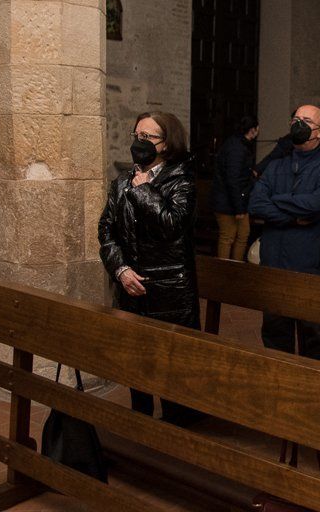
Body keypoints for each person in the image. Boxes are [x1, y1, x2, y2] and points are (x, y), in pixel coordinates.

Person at [98, 111, 201, 425]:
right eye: (136, 135)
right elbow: (106, 231)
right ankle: (139, 425)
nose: (138, 143)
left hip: (171, 292)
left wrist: (144, 191)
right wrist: (121, 271)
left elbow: (172, 224)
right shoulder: (121, 183)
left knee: (172, 368)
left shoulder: (181, 180)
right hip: (132, 288)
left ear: (166, 144)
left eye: (147, 137)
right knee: (136, 363)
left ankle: (176, 432)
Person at [248, 105, 320, 362]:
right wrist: (293, 215)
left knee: (315, 341)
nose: (299, 124)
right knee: (275, 339)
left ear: (319, 132)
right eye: (296, 119)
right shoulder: (275, 166)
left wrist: (275, 205)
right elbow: (256, 204)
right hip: (274, 265)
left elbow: (315, 205)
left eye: (307, 120)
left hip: (310, 267)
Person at [210, 115, 258, 260]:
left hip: (236, 200)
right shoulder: (237, 148)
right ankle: (227, 270)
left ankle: (236, 268)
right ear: (253, 130)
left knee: (243, 234)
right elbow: (233, 179)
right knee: (228, 236)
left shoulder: (238, 144)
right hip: (228, 202)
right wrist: (239, 209)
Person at [255, 109, 320, 177]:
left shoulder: (319, 139)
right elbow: (273, 156)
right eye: (296, 120)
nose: (300, 125)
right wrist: (257, 170)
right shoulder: (287, 140)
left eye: (306, 121)